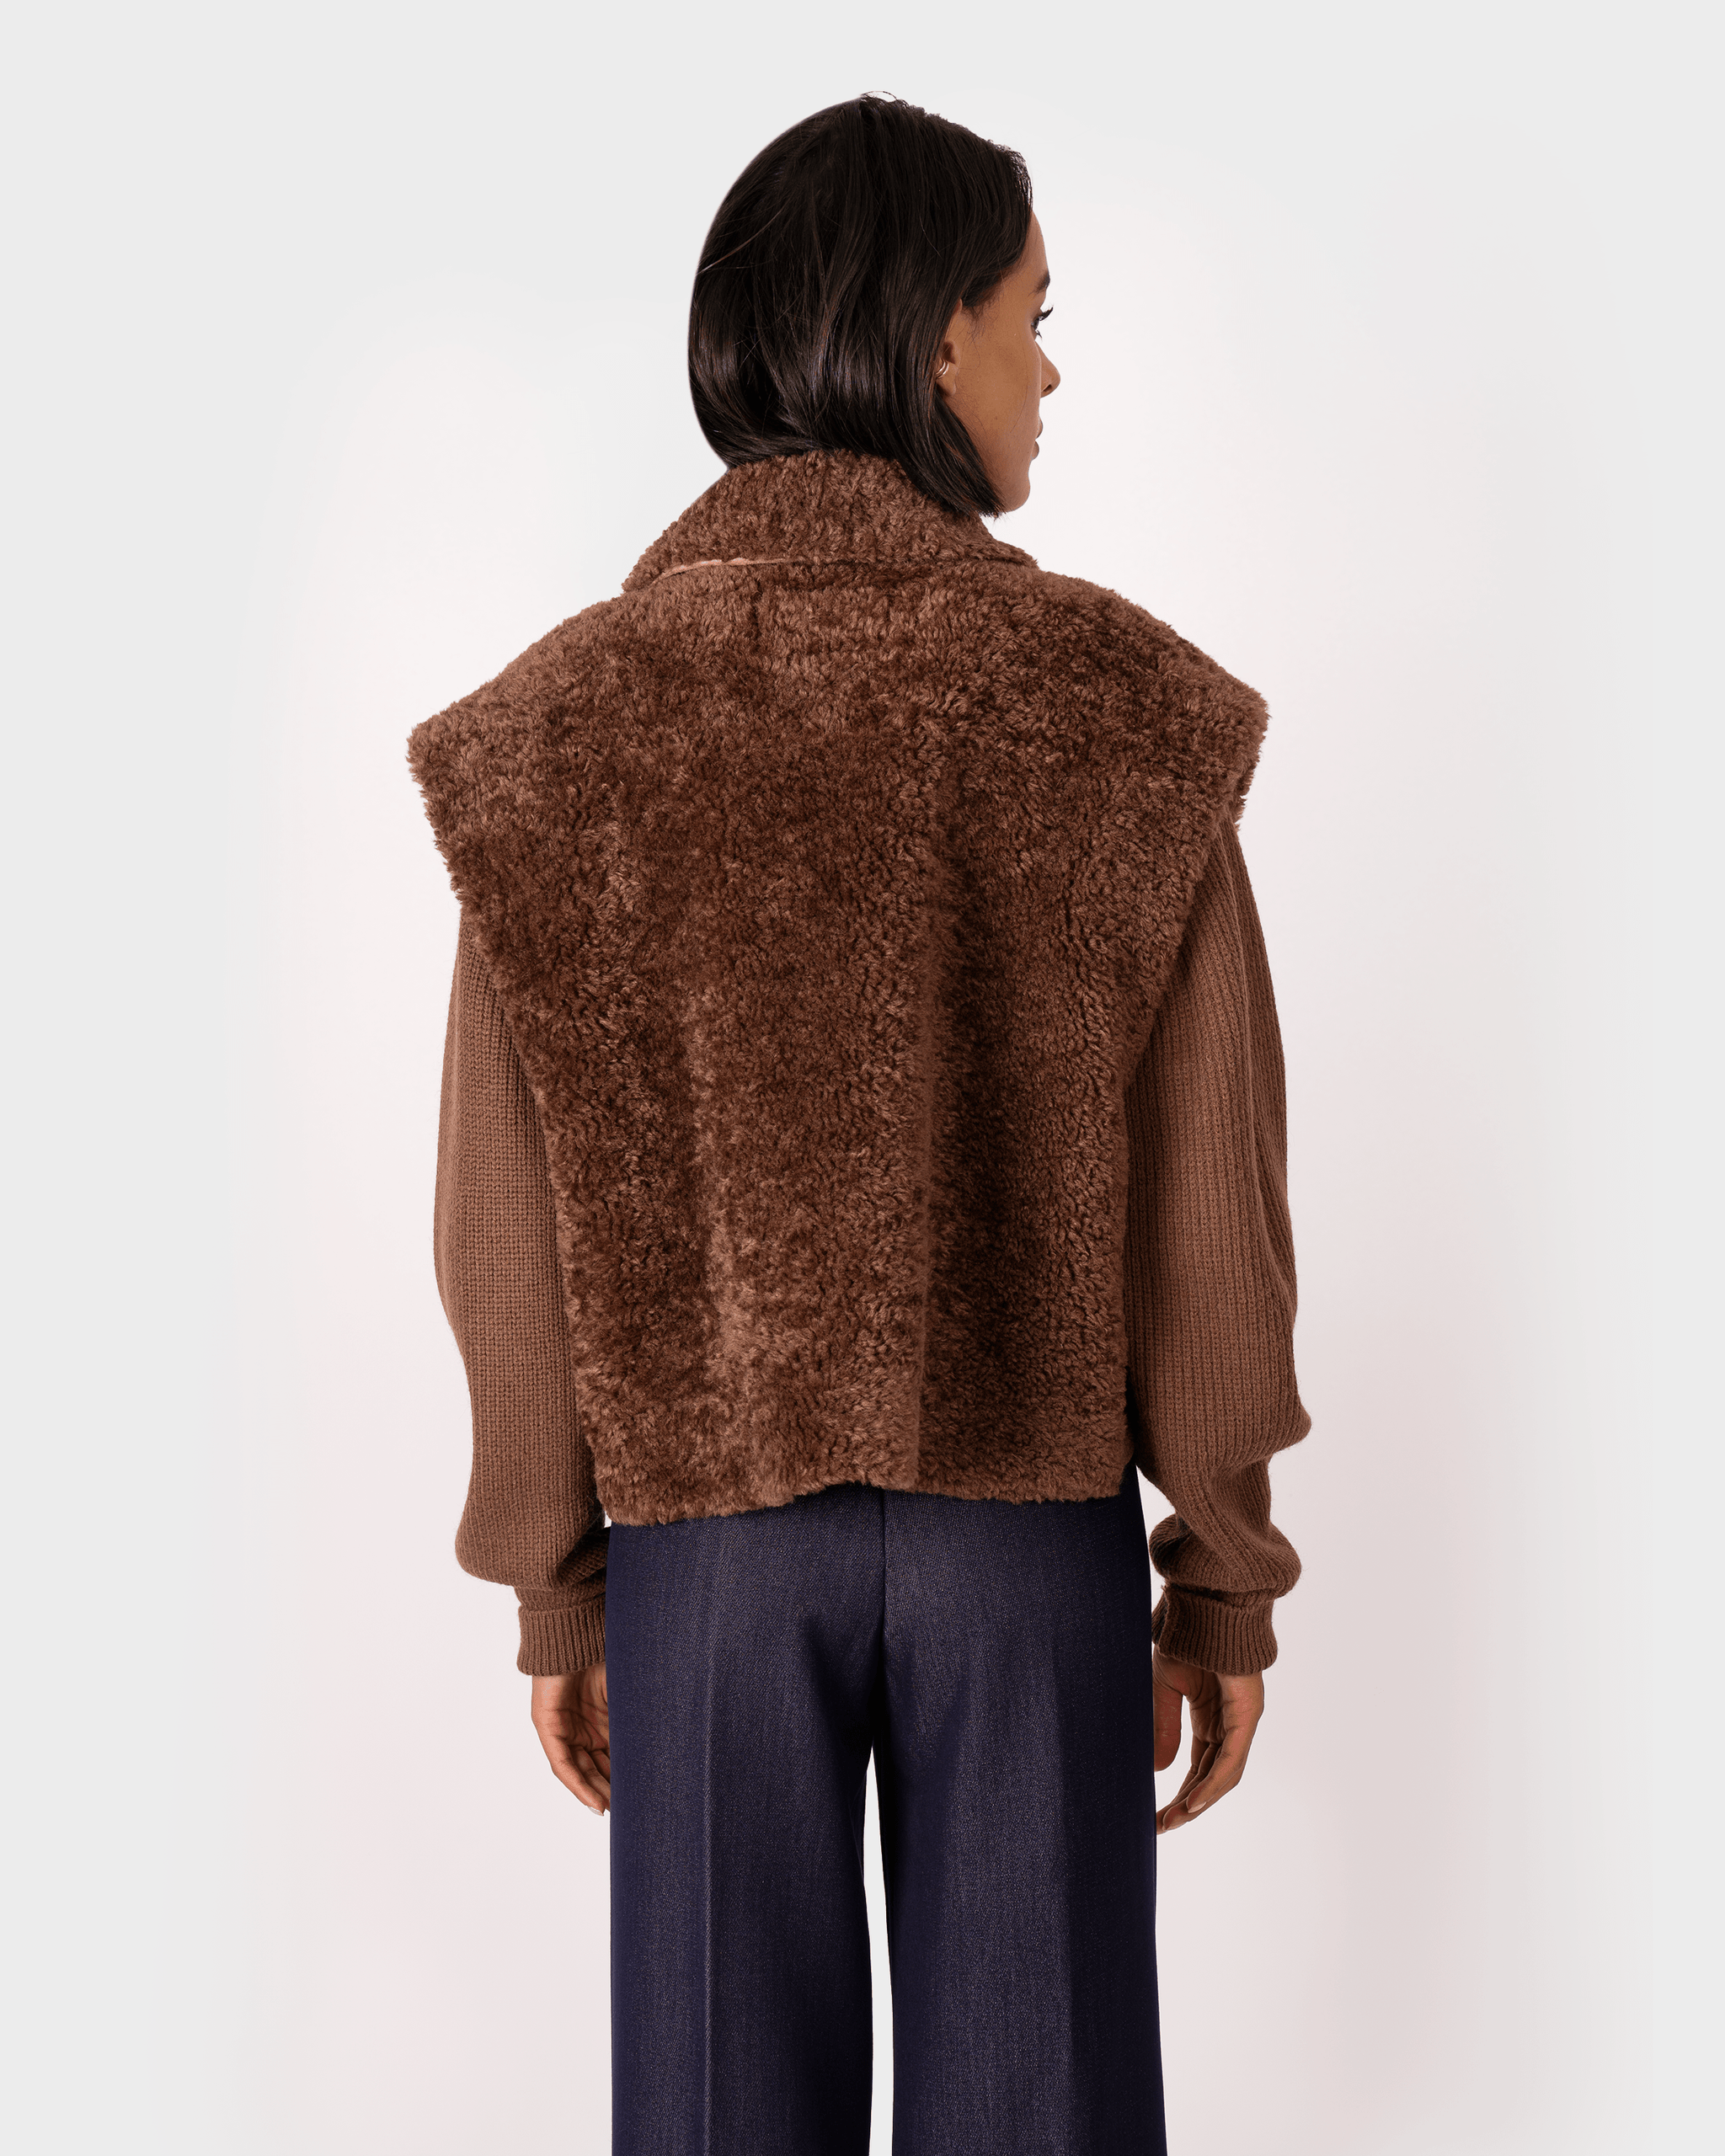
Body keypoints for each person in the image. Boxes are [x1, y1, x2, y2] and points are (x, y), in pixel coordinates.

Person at [409, 92, 1310, 2156]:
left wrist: (557, 1580)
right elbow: (1208, 1198)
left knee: (718, 2110)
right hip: (1026, 1544)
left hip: (706, 1554)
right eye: (1031, 318)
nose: (1048, 371)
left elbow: (499, 1210)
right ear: (931, 338)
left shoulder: (554, 733)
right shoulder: (1122, 710)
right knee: (1044, 2108)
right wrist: (1220, 1576)